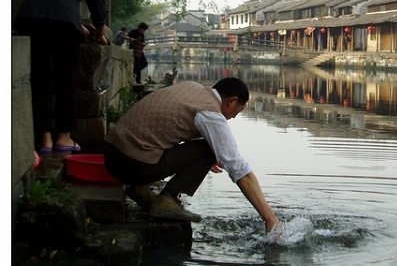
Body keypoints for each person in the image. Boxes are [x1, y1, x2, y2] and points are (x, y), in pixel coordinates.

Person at [103, 77, 280, 231]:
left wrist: (194, 158)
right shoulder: (210, 113)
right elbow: (238, 168)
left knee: (204, 147)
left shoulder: (192, 88)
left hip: (113, 154)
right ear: (231, 101)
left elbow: (170, 127)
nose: (233, 117)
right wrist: (269, 217)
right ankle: (167, 199)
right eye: (237, 112)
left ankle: (140, 188)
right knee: (210, 150)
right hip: (133, 164)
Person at [14, 0, 108, 153]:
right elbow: (97, 1)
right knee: (67, 80)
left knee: (39, 79)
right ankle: (64, 137)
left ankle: (44, 139)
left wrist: (77, 26)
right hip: (63, 24)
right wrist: (99, 32)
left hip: (30, 19)